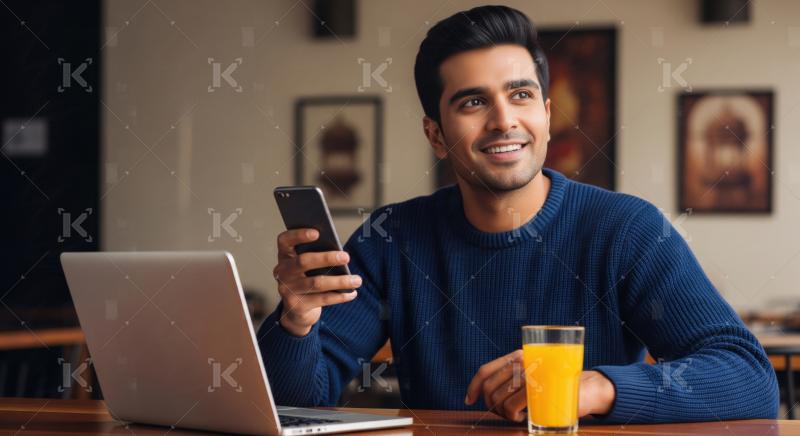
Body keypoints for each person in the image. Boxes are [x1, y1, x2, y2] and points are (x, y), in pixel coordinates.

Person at [258, 5, 778, 423]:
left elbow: (748, 378)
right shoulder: (387, 238)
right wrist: (296, 321)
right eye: (472, 103)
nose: (503, 121)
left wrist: (596, 387)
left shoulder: (627, 230)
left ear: (547, 117)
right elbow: (297, 405)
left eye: (521, 95)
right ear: (436, 135)